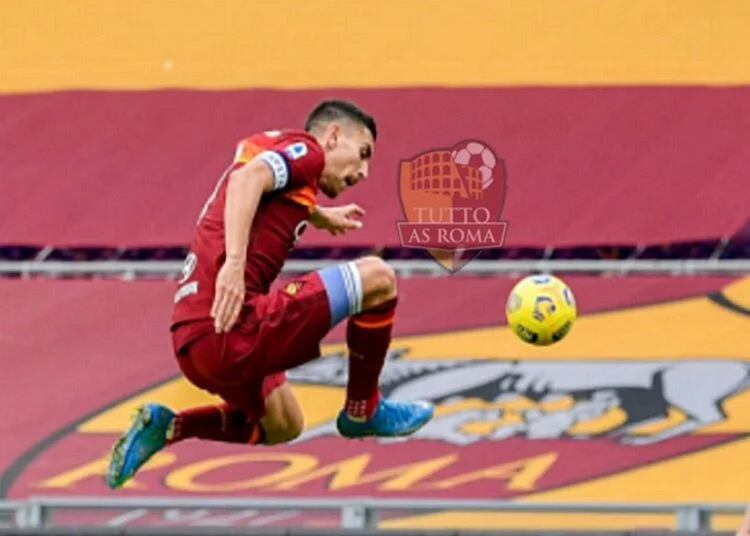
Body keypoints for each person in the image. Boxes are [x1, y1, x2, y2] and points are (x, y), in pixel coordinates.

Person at [106, 99, 435, 490]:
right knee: (379, 279)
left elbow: (255, 177)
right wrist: (234, 265)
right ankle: (364, 410)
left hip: (192, 341)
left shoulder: (272, 145)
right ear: (332, 136)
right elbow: (249, 182)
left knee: (283, 424)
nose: (363, 172)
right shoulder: (310, 153)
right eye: (362, 154)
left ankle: (170, 427)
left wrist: (317, 214)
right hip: (232, 325)